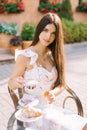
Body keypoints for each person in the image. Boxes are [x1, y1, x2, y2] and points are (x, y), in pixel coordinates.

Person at [8, 13, 87, 130]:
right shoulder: (26, 56)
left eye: (53, 34)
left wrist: (53, 93)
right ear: (39, 29)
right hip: (31, 112)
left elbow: (62, 84)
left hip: (49, 109)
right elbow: (11, 83)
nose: (48, 36)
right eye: (45, 30)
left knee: (84, 124)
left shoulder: (54, 56)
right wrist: (17, 81)